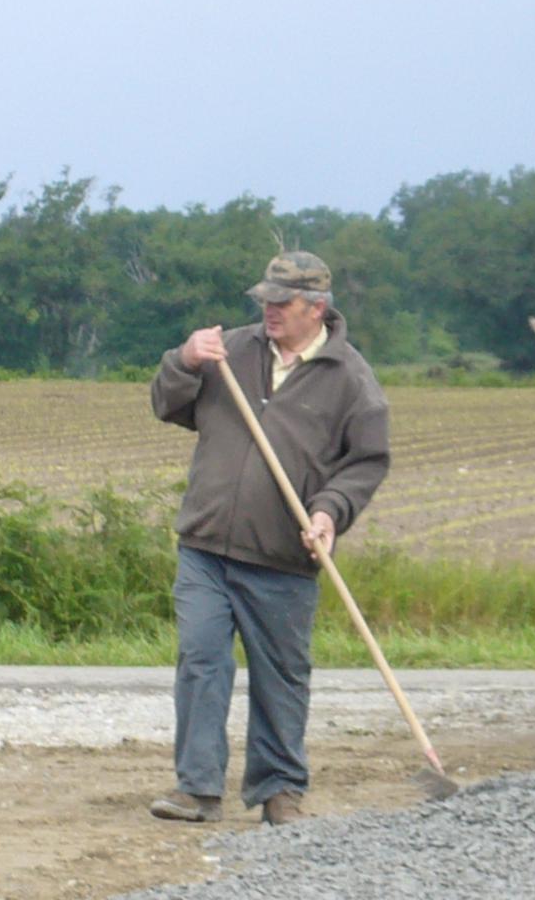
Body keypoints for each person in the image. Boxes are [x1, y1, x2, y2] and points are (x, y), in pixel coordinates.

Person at [148, 249, 390, 826]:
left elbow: (367, 463)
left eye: (282, 303)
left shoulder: (350, 378)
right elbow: (166, 402)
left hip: (283, 556)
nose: (269, 311)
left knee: (282, 674)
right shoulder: (230, 351)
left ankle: (279, 789)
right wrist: (183, 359)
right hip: (205, 544)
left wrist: (330, 512)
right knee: (202, 661)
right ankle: (198, 788)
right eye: (265, 301)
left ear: (319, 309)